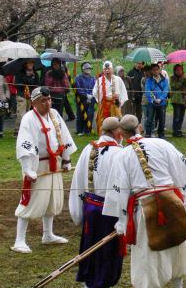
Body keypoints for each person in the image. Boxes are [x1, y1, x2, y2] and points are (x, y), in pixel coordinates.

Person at [103, 115, 186, 288]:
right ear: (140, 128)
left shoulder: (122, 156)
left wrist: (121, 221)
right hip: (170, 202)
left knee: (149, 258)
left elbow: (120, 191)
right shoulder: (162, 144)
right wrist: (182, 198)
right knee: (176, 248)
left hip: (145, 208)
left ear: (121, 134)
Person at [12, 87, 77, 253]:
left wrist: (66, 159)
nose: (48, 103)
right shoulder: (29, 119)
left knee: (52, 200)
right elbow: (24, 144)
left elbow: (63, 136)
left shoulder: (54, 114)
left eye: (49, 100)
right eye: (43, 100)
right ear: (34, 102)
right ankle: (19, 240)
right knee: (30, 200)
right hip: (37, 165)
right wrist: (27, 168)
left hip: (54, 163)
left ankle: (48, 234)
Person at [69, 117, 123, 288]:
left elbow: (77, 181)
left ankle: (89, 281)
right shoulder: (120, 154)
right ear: (117, 133)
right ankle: (102, 282)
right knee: (107, 252)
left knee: (91, 245)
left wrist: (77, 212)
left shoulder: (88, 149)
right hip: (109, 210)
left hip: (90, 208)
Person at [93, 61, 128, 135]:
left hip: (115, 104)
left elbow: (123, 91)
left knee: (116, 121)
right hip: (104, 104)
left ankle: (117, 137)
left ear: (112, 69)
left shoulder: (118, 79)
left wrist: (119, 102)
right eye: (105, 69)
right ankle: (104, 137)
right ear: (103, 70)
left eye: (109, 69)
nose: (107, 71)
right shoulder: (99, 80)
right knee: (103, 121)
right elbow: (95, 92)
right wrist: (100, 99)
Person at [13, 60, 40, 136]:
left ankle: (26, 130)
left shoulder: (35, 73)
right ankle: (17, 131)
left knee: (28, 114)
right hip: (21, 95)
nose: (31, 64)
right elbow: (17, 85)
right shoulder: (19, 73)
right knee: (21, 114)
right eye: (29, 63)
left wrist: (32, 78)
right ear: (25, 64)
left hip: (31, 96)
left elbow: (38, 84)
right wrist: (27, 78)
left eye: (32, 63)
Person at [145, 63, 169, 138]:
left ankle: (161, 134)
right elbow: (147, 91)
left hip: (162, 103)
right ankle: (148, 134)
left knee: (162, 120)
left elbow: (165, 90)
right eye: (153, 70)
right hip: (152, 103)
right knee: (149, 119)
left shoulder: (165, 80)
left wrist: (161, 99)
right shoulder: (149, 80)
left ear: (159, 70)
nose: (155, 71)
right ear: (151, 71)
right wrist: (153, 99)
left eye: (157, 69)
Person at [75, 62, 96, 136]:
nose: (88, 70)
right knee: (80, 114)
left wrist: (92, 95)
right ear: (83, 69)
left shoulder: (93, 78)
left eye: (89, 68)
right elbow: (78, 88)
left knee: (90, 114)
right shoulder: (78, 78)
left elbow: (95, 87)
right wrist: (85, 95)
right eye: (86, 68)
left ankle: (87, 130)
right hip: (81, 99)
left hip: (91, 98)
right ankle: (79, 130)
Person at [169, 64, 186, 138]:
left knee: (181, 116)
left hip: (183, 99)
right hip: (176, 100)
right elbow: (175, 86)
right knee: (177, 116)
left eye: (180, 70)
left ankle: (179, 130)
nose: (179, 71)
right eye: (177, 70)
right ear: (175, 71)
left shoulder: (184, 78)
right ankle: (175, 131)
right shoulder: (172, 78)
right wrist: (182, 80)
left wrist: (185, 80)